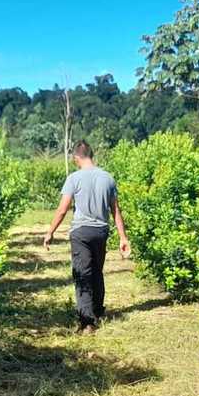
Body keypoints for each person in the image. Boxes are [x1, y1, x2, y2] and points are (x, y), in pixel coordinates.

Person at [44, 141, 130, 334]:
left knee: (82, 274)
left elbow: (63, 209)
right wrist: (123, 238)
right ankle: (98, 312)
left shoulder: (73, 178)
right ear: (92, 155)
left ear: (76, 157)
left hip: (81, 232)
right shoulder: (108, 178)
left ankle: (87, 322)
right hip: (100, 231)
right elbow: (116, 210)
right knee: (97, 271)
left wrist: (50, 232)